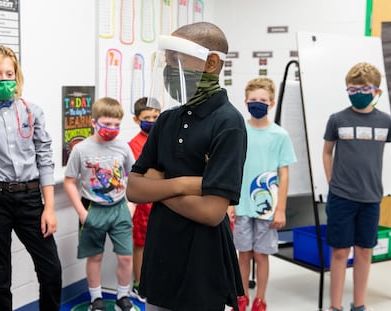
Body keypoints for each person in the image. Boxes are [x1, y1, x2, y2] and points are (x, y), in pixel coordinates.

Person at [126, 21, 247, 311]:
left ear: (212, 62)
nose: (169, 70)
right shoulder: (167, 119)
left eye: (176, 61)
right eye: (166, 61)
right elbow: (134, 188)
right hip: (160, 258)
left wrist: (158, 186)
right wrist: (188, 183)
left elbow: (211, 212)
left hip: (201, 266)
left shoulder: (228, 123)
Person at [0, 45, 62, 310]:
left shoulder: (32, 111)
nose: (4, 80)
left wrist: (49, 207)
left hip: (30, 198)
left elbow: (44, 157)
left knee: (51, 270)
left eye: (9, 73)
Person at [322, 62, 391, 311]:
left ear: (376, 90)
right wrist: (332, 182)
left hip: (371, 197)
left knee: (364, 251)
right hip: (341, 197)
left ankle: (359, 304)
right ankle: (335, 306)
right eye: (352, 89)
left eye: (364, 88)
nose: (358, 93)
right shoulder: (337, 119)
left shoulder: (386, 121)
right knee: (340, 252)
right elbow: (327, 152)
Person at [64, 97, 136, 311]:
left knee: (125, 256)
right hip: (92, 208)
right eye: (107, 124)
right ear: (94, 122)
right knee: (95, 256)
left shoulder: (123, 147)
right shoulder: (80, 149)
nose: (112, 129)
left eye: (116, 125)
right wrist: (81, 212)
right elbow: (69, 181)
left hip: (120, 208)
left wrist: (131, 206)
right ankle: (96, 300)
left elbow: (133, 178)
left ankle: (123, 297)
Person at [231, 78, 297, 311]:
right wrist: (230, 203)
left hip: (267, 207)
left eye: (262, 100)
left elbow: (284, 173)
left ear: (271, 103)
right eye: (253, 100)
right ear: (245, 102)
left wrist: (280, 208)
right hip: (241, 205)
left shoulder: (280, 135)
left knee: (261, 255)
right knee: (244, 254)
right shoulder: (238, 131)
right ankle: (241, 297)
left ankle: (260, 298)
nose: (257, 103)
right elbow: (232, 166)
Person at [128, 97, 160, 302]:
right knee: (140, 244)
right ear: (136, 119)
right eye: (147, 117)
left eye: (156, 117)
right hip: (142, 205)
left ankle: (157, 281)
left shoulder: (164, 138)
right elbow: (144, 174)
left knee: (160, 243)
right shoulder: (134, 144)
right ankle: (139, 284)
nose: (152, 120)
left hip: (162, 200)